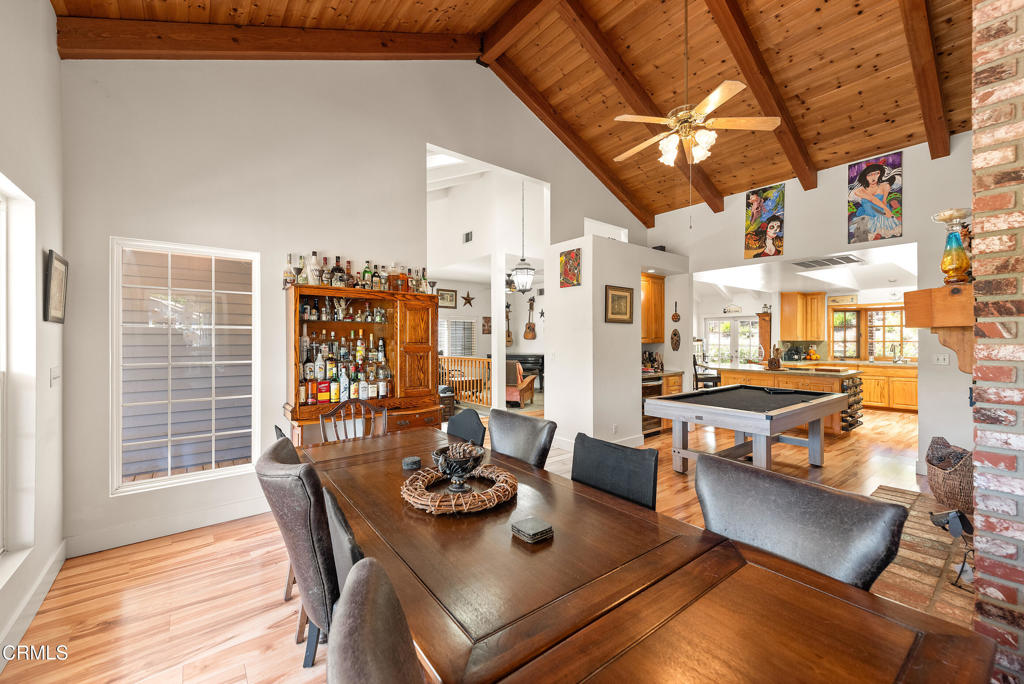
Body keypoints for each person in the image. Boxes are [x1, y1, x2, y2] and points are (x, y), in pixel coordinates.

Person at [850, 163, 900, 239]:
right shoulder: (860, 190)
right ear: (865, 177)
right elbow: (872, 199)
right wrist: (887, 210)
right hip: (869, 217)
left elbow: (884, 201)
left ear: (880, 174)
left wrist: (888, 212)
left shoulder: (885, 186)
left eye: (877, 173)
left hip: (884, 215)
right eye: (870, 175)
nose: (873, 177)